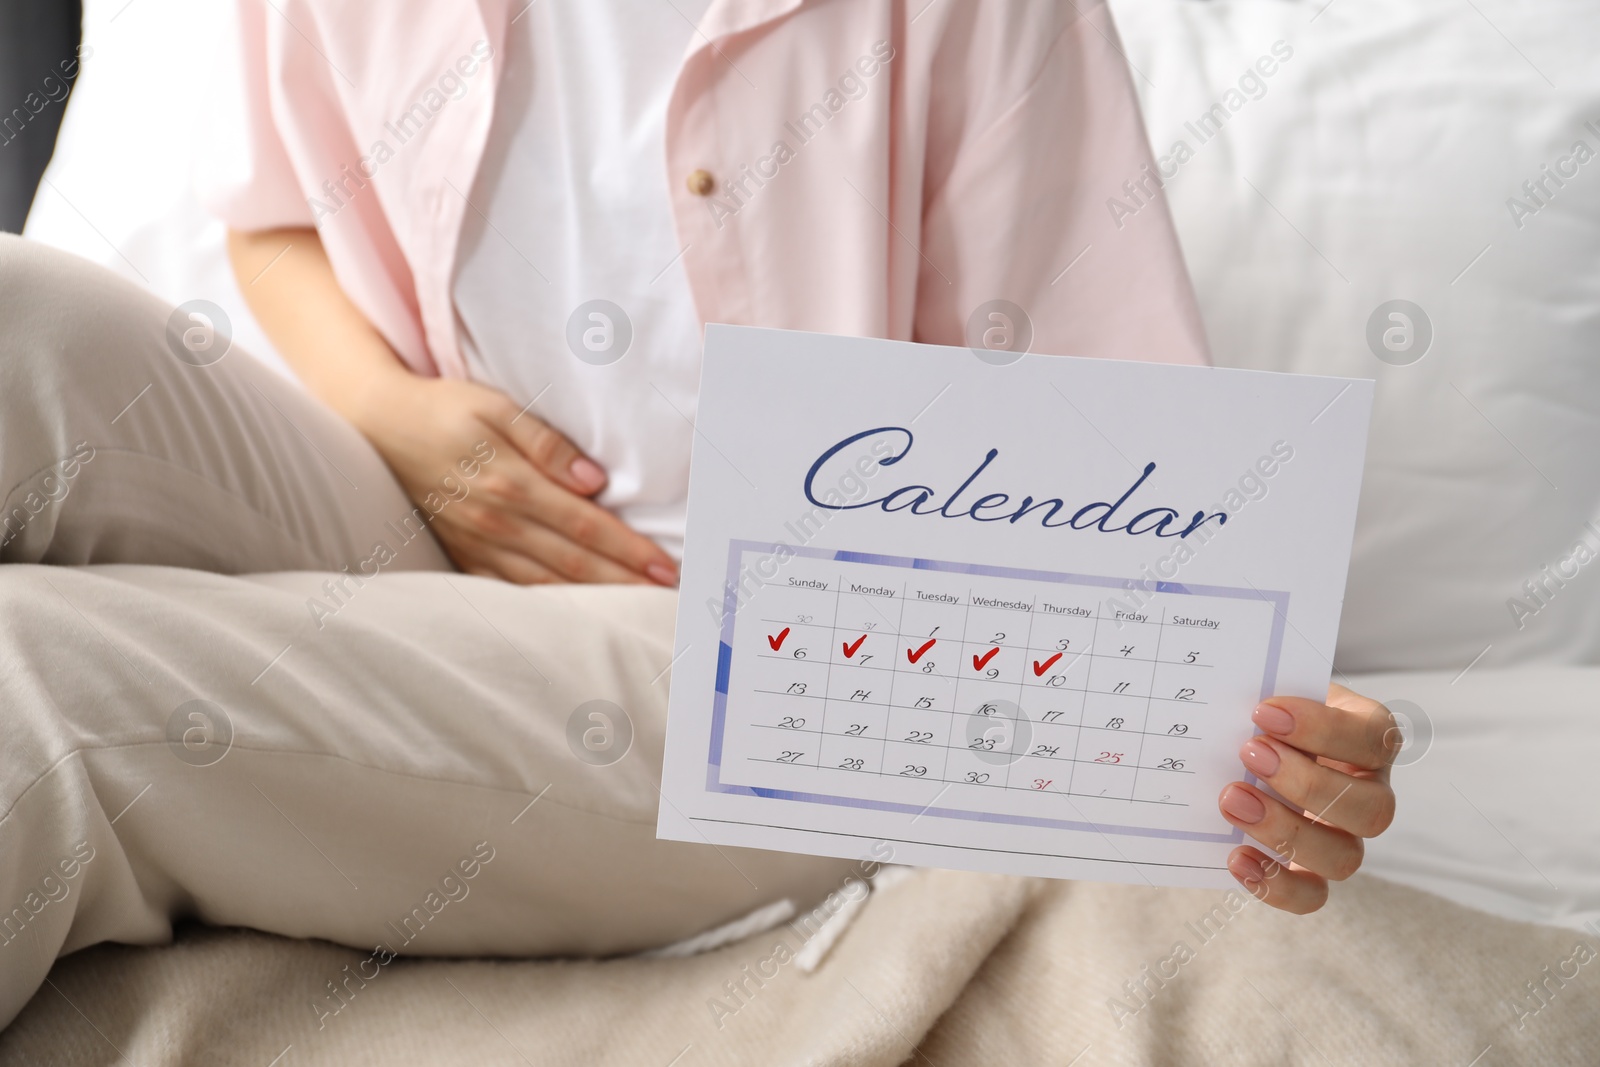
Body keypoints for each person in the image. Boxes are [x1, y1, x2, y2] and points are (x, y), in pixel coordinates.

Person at [0, 0, 1396, 1029]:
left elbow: (1125, 439)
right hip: (399, 500)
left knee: (31, 681)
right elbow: (276, 216)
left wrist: (1262, 727)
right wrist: (390, 418)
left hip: (770, 664)